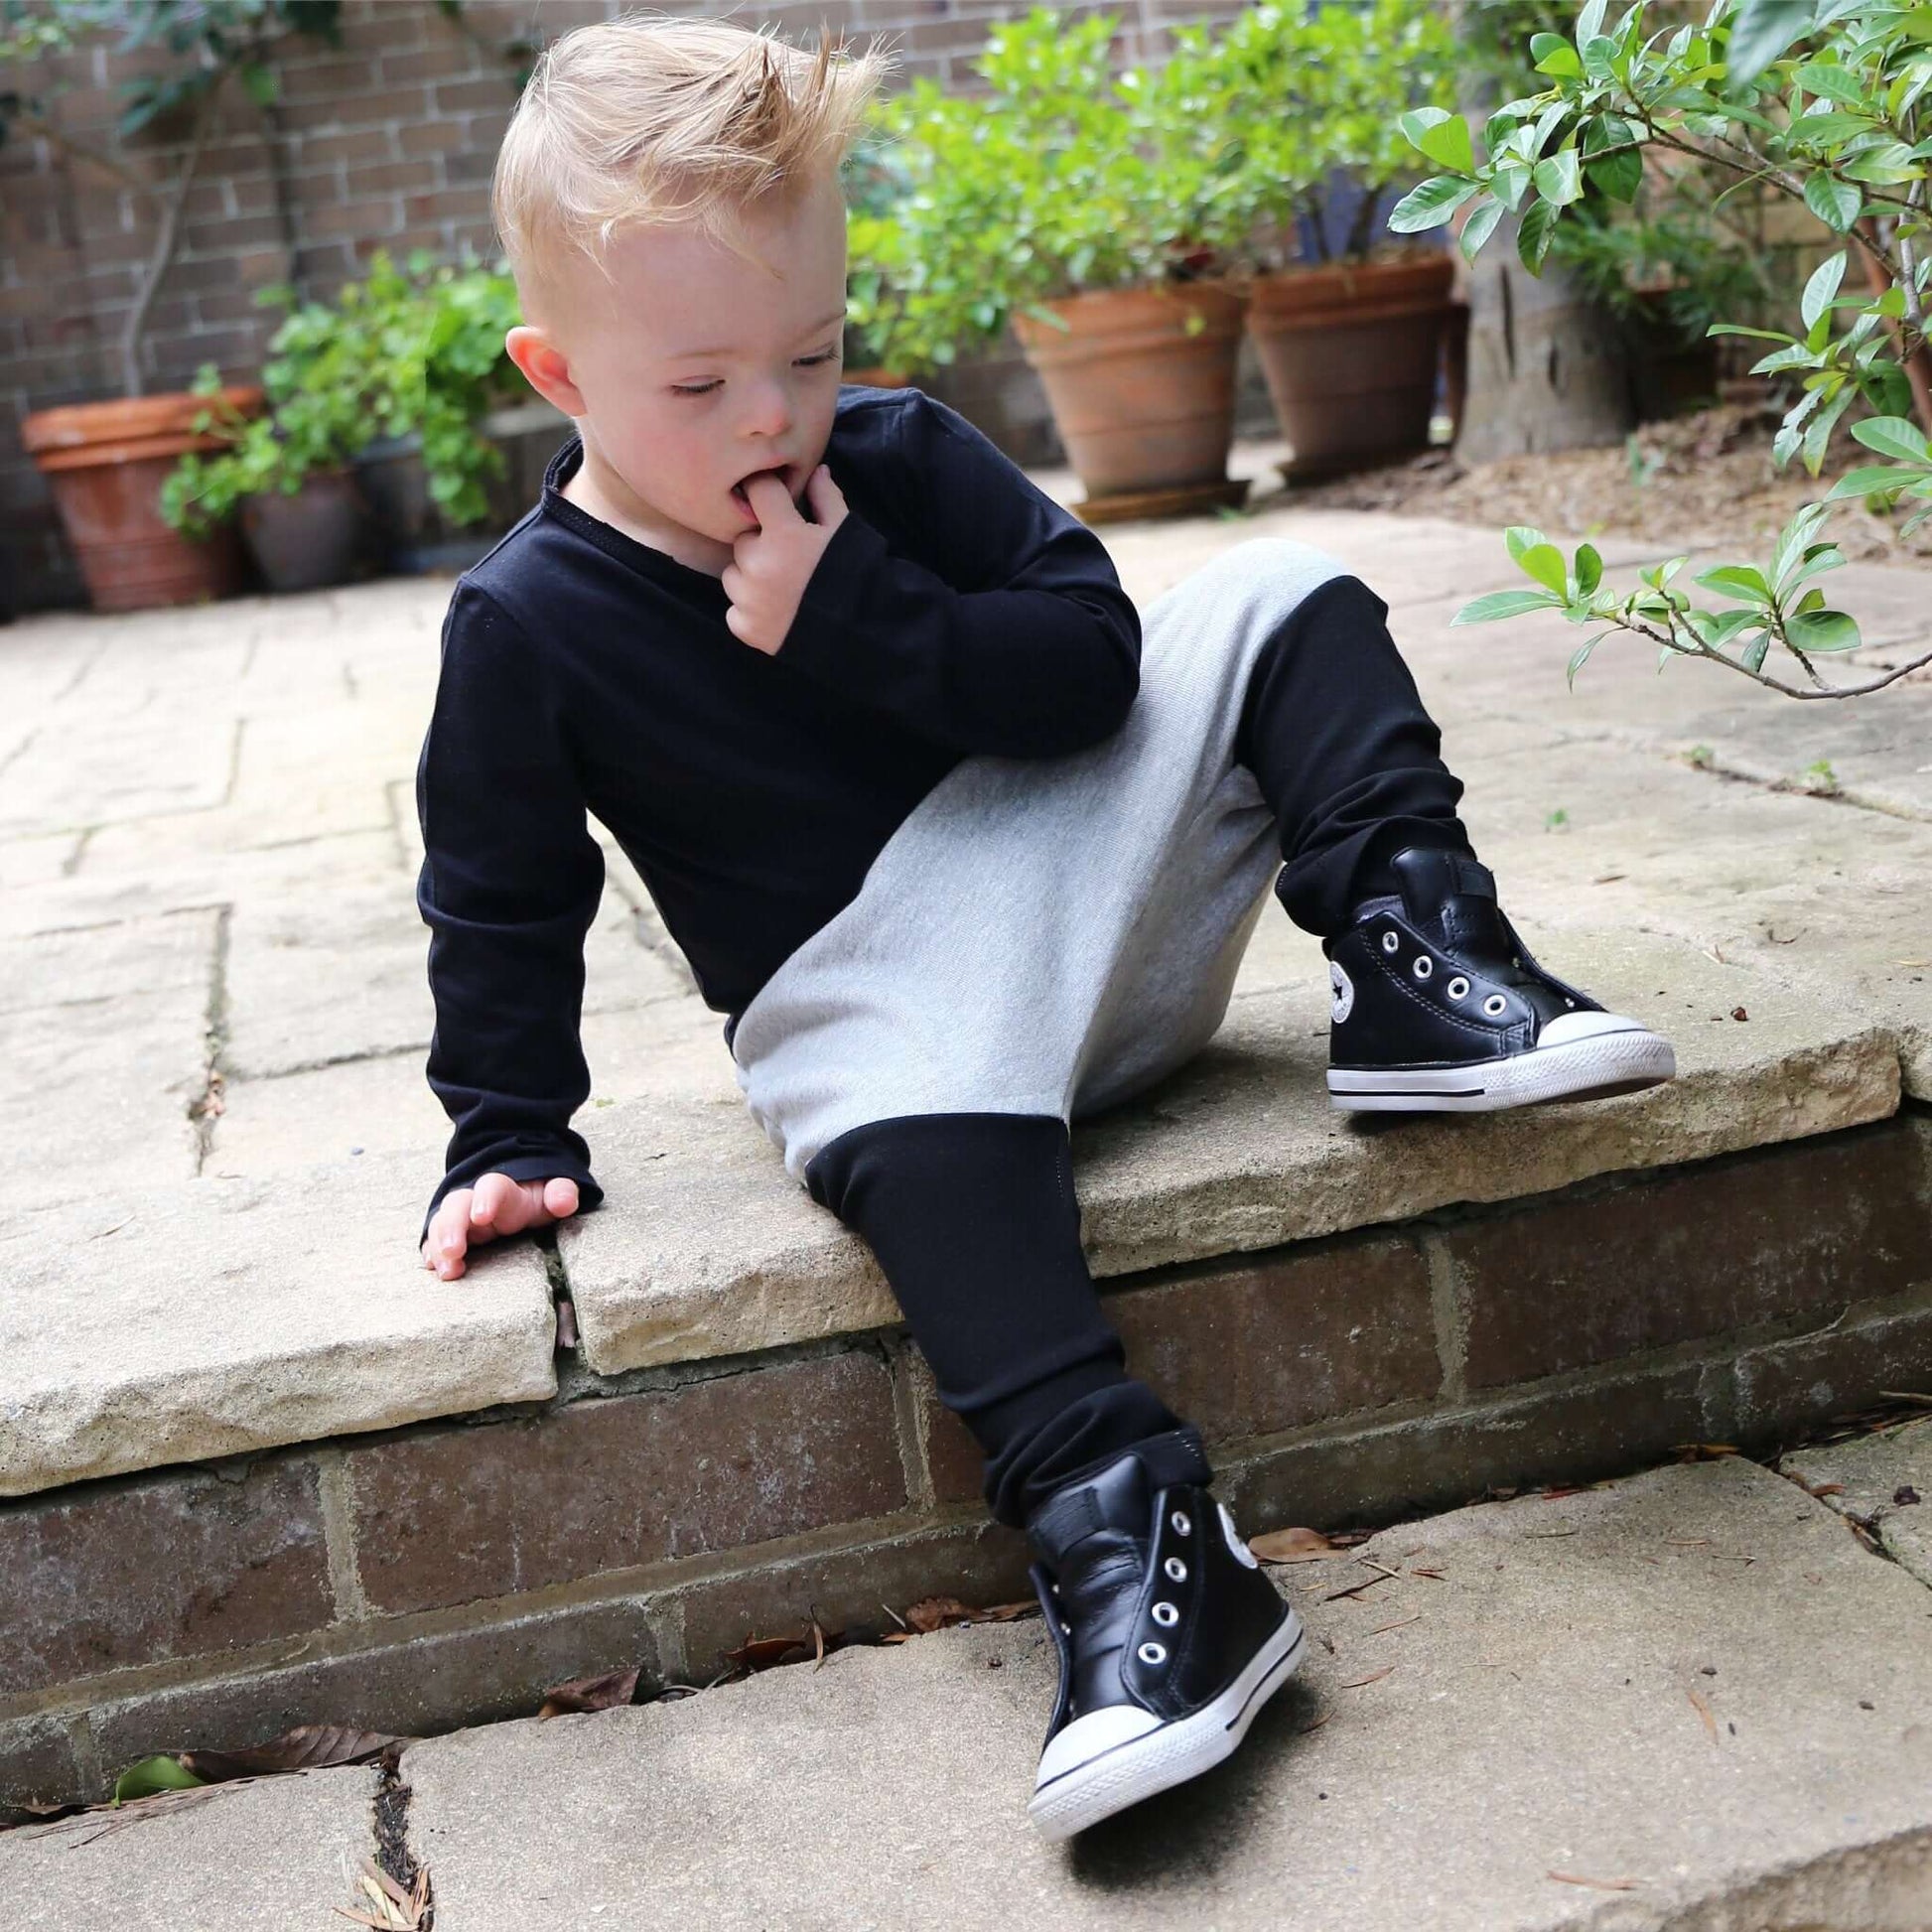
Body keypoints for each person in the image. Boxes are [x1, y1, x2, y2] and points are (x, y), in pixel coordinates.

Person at [413, 13, 1676, 1842]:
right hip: (895, 1033)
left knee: (1274, 589)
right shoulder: (529, 624)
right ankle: (1138, 1531)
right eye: (698, 387)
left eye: (810, 350)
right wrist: (506, 1130)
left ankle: (1418, 956)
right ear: (560, 372)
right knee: (866, 1093)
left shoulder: (899, 463)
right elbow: (497, 892)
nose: (772, 415)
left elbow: (1093, 665)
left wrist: (858, 607)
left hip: (1088, 925)